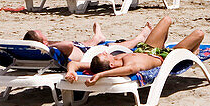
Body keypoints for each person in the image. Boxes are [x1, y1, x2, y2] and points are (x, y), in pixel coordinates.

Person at [65, 16, 205, 85]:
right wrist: (100, 76)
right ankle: (193, 52)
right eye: (104, 55)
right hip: (167, 57)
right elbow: (129, 71)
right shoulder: (128, 67)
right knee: (199, 33)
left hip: (147, 48)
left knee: (166, 19)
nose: (105, 52)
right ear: (111, 65)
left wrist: (70, 71)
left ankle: (168, 45)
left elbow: (75, 64)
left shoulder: (101, 64)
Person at [23, 22, 152, 65]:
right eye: (41, 33)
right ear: (43, 41)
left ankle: (97, 37)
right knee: (111, 47)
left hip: (83, 50)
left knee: (88, 43)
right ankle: (139, 38)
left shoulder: (33, 52)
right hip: (87, 55)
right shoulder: (50, 49)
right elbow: (68, 45)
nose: (43, 32)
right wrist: (47, 45)